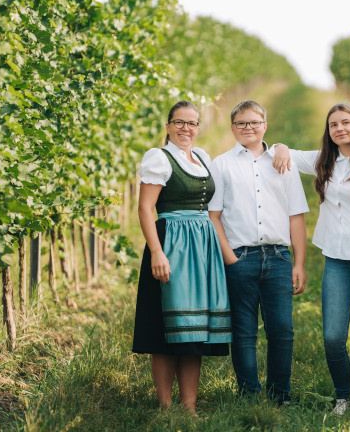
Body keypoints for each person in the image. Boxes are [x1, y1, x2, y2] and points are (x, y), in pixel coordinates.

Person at [273, 103, 350, 416]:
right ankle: (342, 395)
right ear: (329, 132)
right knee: (333, 336)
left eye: (345, 123)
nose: (339, 129)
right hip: (337, 260)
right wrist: (281, 146)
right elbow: (285, 151)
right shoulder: (325, 161)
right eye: (333, 125)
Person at [132, 100, 231, 414]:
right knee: (164, 328)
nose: (186, 128)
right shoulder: (158, 158)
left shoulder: (202, 157)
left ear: (198, 127)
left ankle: (189, 407)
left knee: (195, 328)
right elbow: (146, 208)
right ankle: (164, 406)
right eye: (179, 122)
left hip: (201, 247)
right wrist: (156, 252)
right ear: (168, 125)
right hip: (171, 243)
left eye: (192, 123)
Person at [208, 100, 308, 406]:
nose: (248, 128)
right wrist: (230, 258)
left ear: (265, 124)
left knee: (282, 329)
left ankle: (280, 394)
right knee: (243, 330)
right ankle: (248, 394)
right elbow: (214, 216)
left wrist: (299, 263)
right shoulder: (221, 164)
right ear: (233, 128)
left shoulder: (283, 161)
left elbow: (296, 216)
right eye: (241, 124)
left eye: (253, 122)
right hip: (241, 256)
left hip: (278, 257)